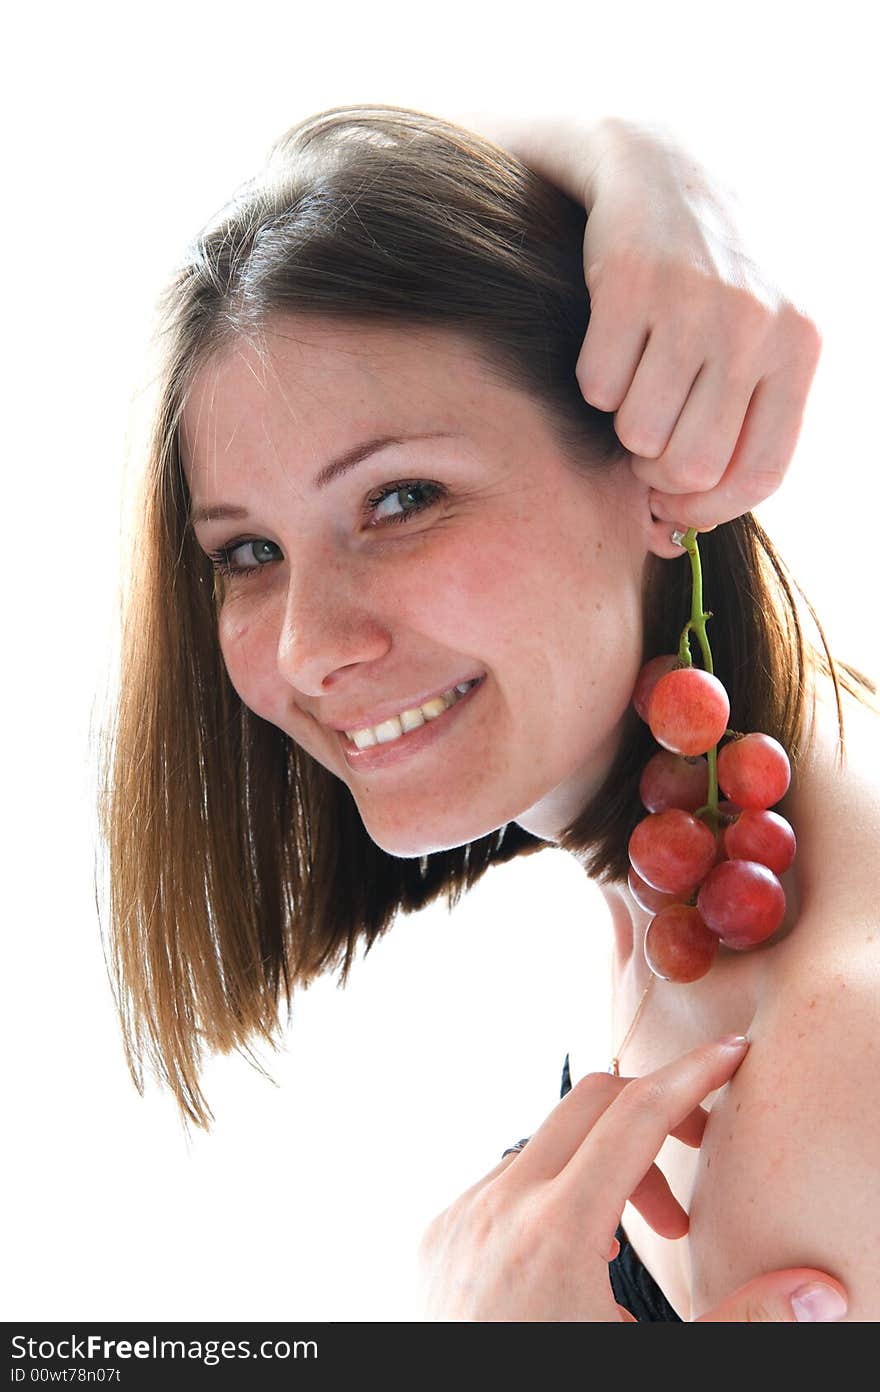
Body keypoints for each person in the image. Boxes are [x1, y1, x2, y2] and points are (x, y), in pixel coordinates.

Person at [96, 103, 876, 1322]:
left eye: (401, 498)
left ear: (656, 458)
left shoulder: (836, 1070)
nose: (308, 648)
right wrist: (631, 155)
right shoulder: (718, 841)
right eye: (247, 550)